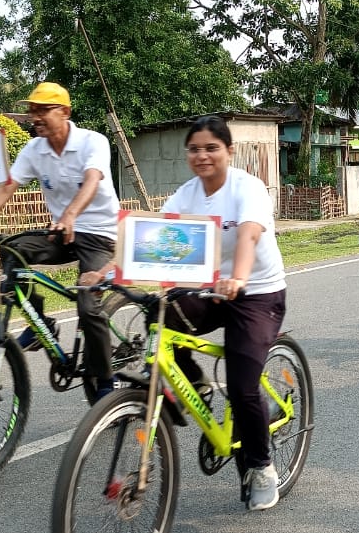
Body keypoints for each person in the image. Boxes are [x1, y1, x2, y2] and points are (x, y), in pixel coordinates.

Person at [83, 116, 289, 511]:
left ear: (229, 151)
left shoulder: (249, 189)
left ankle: (261, 467)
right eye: (194, 148)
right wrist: (107, 271)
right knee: (161, 316)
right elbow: (151, 236)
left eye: (212, 147)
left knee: (244, 386)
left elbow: (248, 235)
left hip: (256, 294)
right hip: (206, 288)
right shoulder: (186, 194)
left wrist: (238, 278)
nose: (202, 155)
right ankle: (198, 384)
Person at [0, 82, 122, 398]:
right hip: (61, 233)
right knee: (14, 249)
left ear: (64, 112)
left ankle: (106, 383)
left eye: (43, 110)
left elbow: (92, 181)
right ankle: (41, 322)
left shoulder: (93, 142)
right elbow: (6, 189)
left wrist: (69, 215)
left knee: (87, 303)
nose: (34, 117)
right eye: (32, 111)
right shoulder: (33, 150)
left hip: (98, 234)